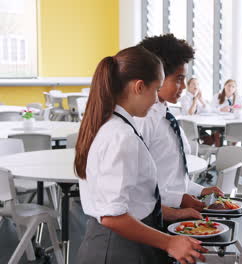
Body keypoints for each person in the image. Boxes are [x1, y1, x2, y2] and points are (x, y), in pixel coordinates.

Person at [74, 46, 207, 264]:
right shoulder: (120, 135)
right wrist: (169, 242)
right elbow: (112, 216)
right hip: (117, 247)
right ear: (138, 87)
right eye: (155, 90)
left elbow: (135, 199)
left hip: (125, 240)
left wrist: (174, 214)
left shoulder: (113, 125)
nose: (156, 99)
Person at [136, 34, 223, 212]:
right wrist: (179, 201)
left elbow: (172, 179)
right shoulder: (143, 121)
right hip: (156, 218)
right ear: (157, 76)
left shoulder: (167, 115)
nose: (183, 86)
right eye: (178, 79)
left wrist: (200, 190)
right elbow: (137, 188)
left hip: (174, 213)